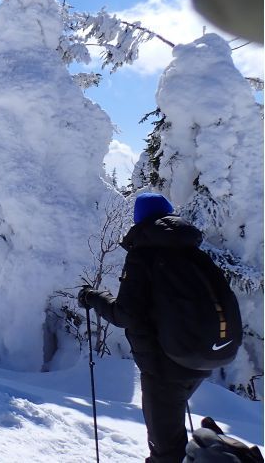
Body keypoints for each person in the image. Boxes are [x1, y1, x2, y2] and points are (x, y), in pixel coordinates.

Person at [78, 193, 211, 463]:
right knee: (173, 442)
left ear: (139, 220)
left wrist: (93, 298)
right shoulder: (193, 253)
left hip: (164, 366)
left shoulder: (144, 256)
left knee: (166, 452)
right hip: (201, 360)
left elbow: (125, 314)